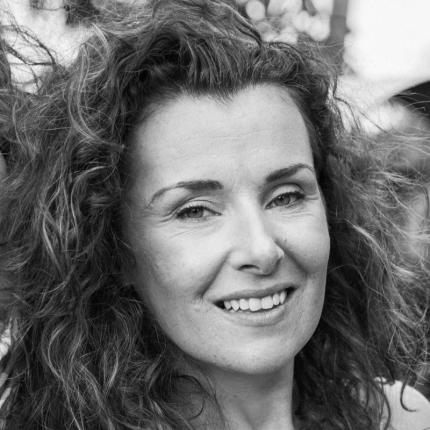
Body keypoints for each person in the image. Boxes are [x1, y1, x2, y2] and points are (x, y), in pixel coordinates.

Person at [0, 0, 429, 429]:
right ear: (116, 250)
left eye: (286, 197)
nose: (262, 250)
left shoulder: (400, 417)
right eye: (195, 211)